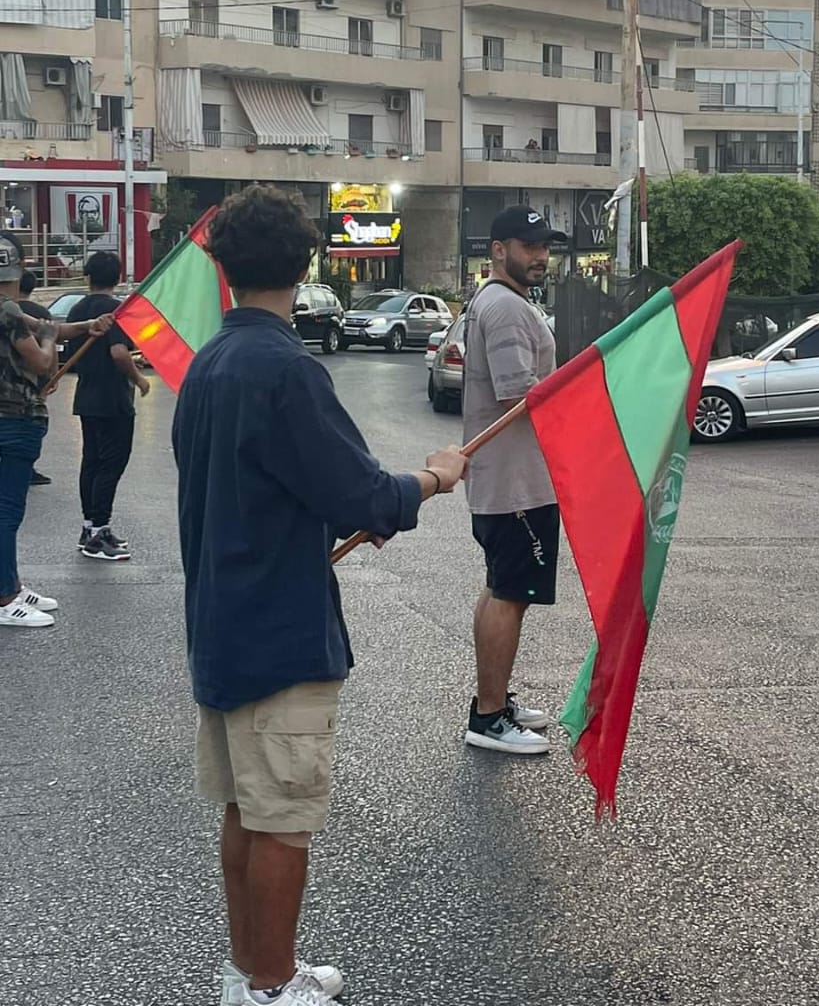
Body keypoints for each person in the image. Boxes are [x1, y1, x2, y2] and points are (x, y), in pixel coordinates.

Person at [172, 185, 468, 1006]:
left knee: (247, 808)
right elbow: (360, 495)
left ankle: (250, 971)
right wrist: (434, 477)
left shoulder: (208, 364)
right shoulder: (285, 369)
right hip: (279, 629)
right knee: (283, 821)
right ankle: (272, 985)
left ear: (224, 268)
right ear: (306, 267)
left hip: (223, 619)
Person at [462, 205, 566, 756]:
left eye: (544, 246)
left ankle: (494, 701)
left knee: (500, 589)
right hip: (516, 483)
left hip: (507, 480)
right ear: (499, 250)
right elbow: (517, 395)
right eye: (529, 246)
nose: (540, 256)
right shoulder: (504, 308)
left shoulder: (500, 300)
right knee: (509, 595)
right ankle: (488, 719)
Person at [0, 234, 113, 628]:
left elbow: (50, 327)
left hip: (10, 419)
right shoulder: (7, 310)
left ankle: (11, 584)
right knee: (7, 512)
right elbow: (42, 358)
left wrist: (87, 326)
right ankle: (5, 597)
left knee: (7, 510)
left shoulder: (10, 312)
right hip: (13, 418)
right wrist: (49, 342)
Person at [67, 251, 150, 561]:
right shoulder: (115, 311)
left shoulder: (77, 310)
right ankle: (99, 533)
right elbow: (118, 352)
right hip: (113, 398)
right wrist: (138, 378)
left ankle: (90, 527)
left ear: (88, 276)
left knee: (91, 461)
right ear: (117, 277)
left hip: (86, 394)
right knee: (111, 463)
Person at [18, 269, 53, 486]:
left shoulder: (8, 309)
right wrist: (52, 375)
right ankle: (27, 468)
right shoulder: (40, 312)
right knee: (33, 421)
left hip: (8, 380)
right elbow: (51, 341)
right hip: (35, 378)